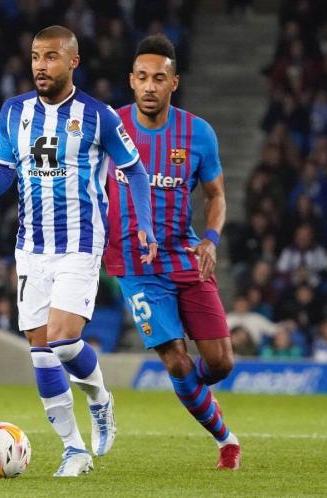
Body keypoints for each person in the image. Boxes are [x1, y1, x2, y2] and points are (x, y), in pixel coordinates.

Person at [0, 25, 156, 477]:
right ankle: (74, 449)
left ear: (73, 61)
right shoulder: (14, 112)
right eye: (35, 56)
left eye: (51, 57)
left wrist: (146, 227)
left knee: (63, 338)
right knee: (41, 353)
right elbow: (2, 175)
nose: (40, 65)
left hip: (80, 244)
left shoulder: (99, 116)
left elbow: (137, 172)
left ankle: (99, 397)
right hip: (31, 249)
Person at [103, 34, 241, 470]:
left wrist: (212, 239)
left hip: (185, 254)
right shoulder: (109, 127)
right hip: (135, 265)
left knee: (219, 364)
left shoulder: (198, 134)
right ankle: (226, 439)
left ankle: (194, 392)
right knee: (177, 360)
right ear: (131, 80)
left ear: (174, 82)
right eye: (141, 77)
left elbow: (216, 196)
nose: (149, 86)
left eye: (158, 78)